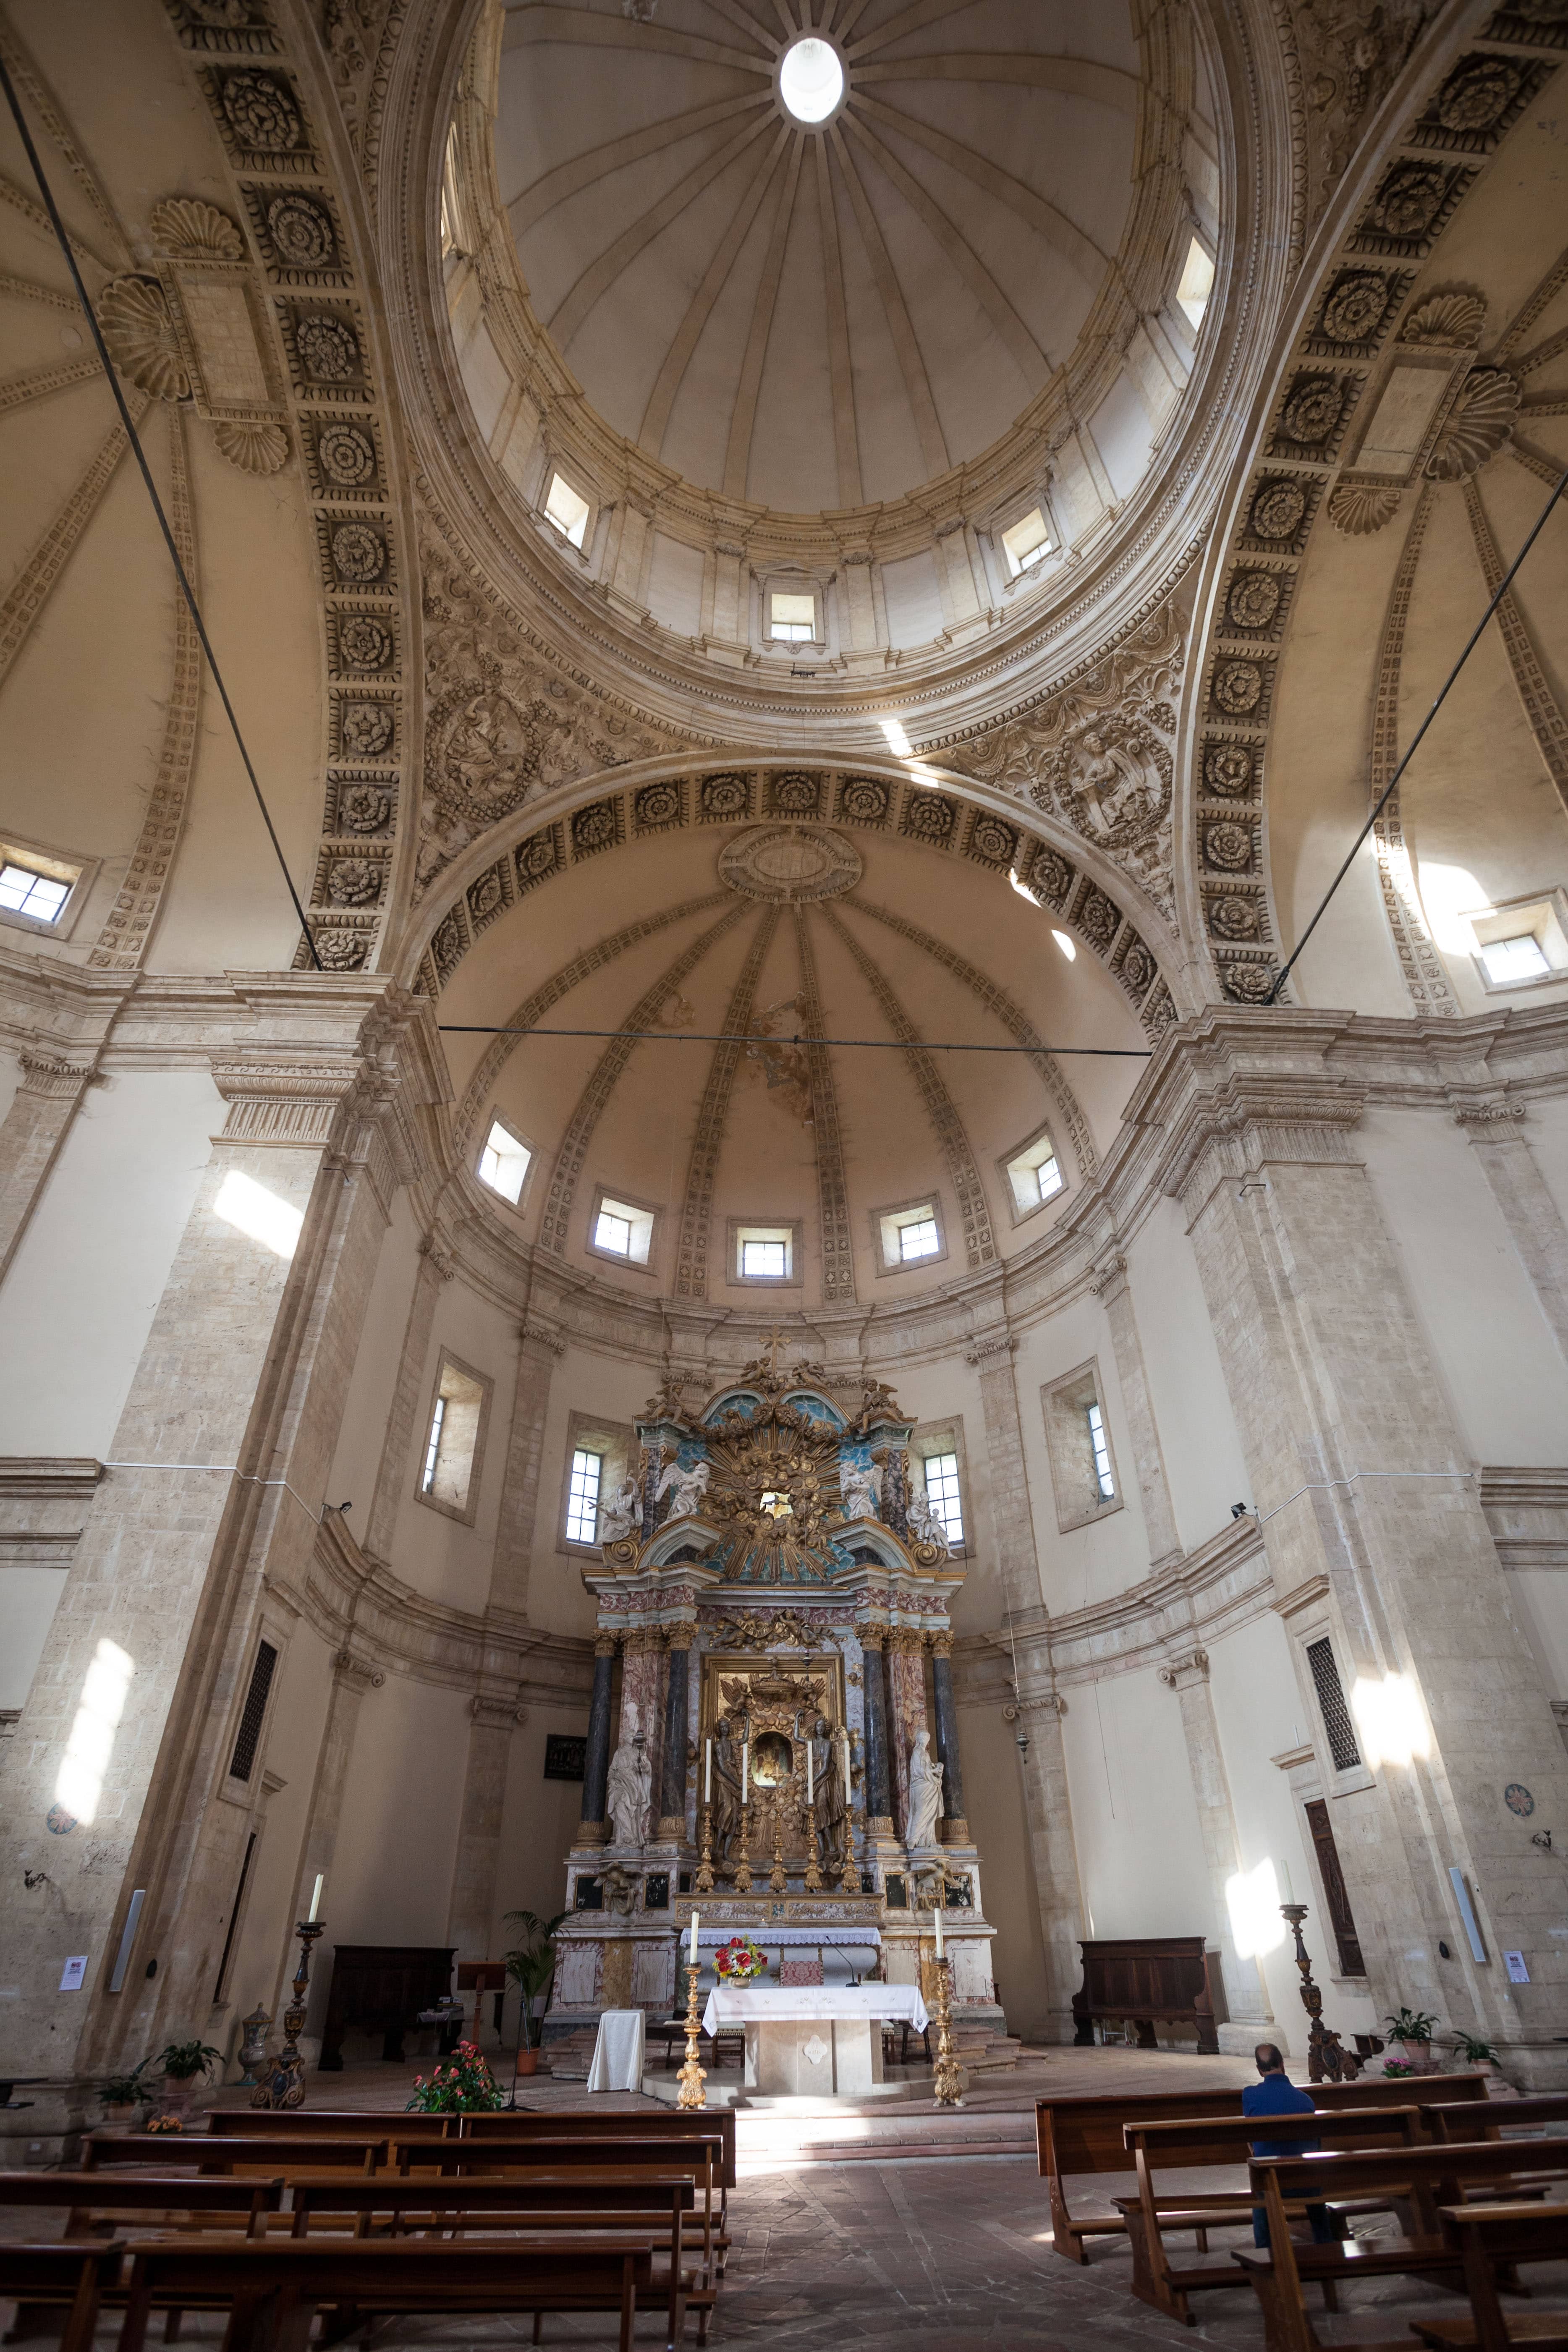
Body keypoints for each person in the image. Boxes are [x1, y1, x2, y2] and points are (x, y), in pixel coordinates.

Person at [1243, 2042, 1334, 2248]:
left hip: (1271, 2181)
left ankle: (1266, 2251)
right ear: (1283, 2065)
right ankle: (1326, 2244)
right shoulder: (1306, 2100)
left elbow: (1251, 2137)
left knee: (1260, 2186)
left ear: (1259, 2070)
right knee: (1313, 2179)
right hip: (1307, 2181)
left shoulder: (1250, 2095)